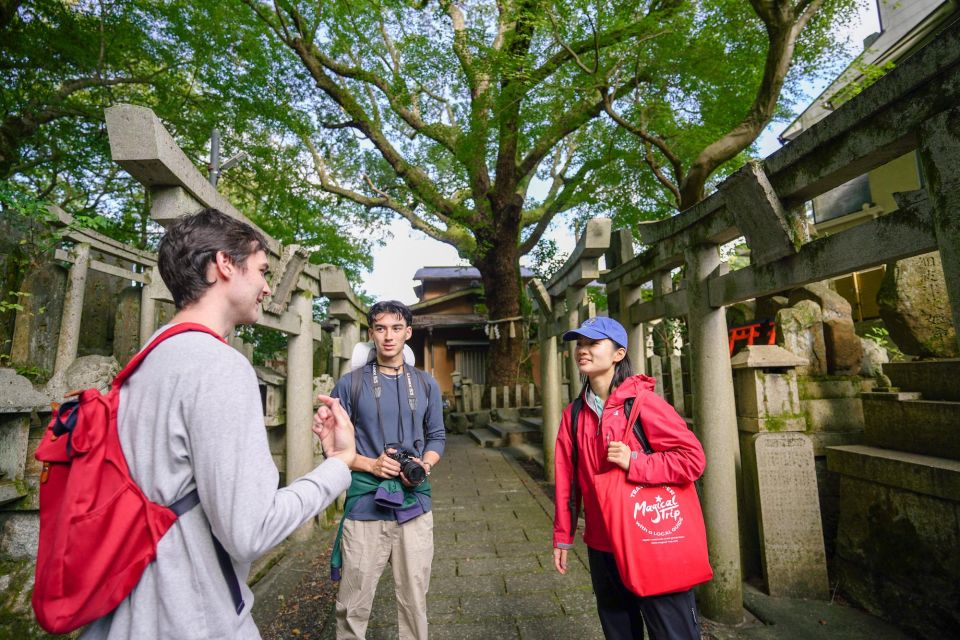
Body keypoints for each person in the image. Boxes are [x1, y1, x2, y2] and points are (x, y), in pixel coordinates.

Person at [82, 208, 356, 639]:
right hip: (191, 614)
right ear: (224, 264)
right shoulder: (218, 366)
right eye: (263, 270)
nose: (268, 287)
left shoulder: (148, 356)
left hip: (125, 608)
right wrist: (339, 465)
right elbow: (250, 531)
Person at [552, 316, 706, 640]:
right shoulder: (574, 414)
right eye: (579, 343)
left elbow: (692, 460)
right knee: (619, 630)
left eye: (593, 343)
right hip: (602, 542)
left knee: (672, 632)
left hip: (651, 538)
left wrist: (634, 461)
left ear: (618, 354)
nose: (582, 350)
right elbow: (568, 480)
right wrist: (563, 535)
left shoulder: (644, 404)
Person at [330, 300, 445, 640]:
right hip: (365, 505)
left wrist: (424, 464)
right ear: (372, 334)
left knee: (415, 602)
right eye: (380, 328)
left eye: (396, 328)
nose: (388, 336)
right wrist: (371, 464)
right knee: (352, 604)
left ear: (408, 333)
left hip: (415, 506)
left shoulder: (426, 385)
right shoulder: (349, 385)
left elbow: (437, 436)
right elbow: (334, 449)